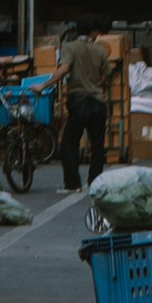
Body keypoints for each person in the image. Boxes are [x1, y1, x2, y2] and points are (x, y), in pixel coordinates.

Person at [57, 24, 114, 192]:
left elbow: (65, 68)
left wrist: (45, 83)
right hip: (98, 103)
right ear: (93, 32)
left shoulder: (70, 47)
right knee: (97, 146)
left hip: (79, 102)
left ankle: (73, 183)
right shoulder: (99, 50)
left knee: (69, 143)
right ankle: (95, 183)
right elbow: (107, 75)